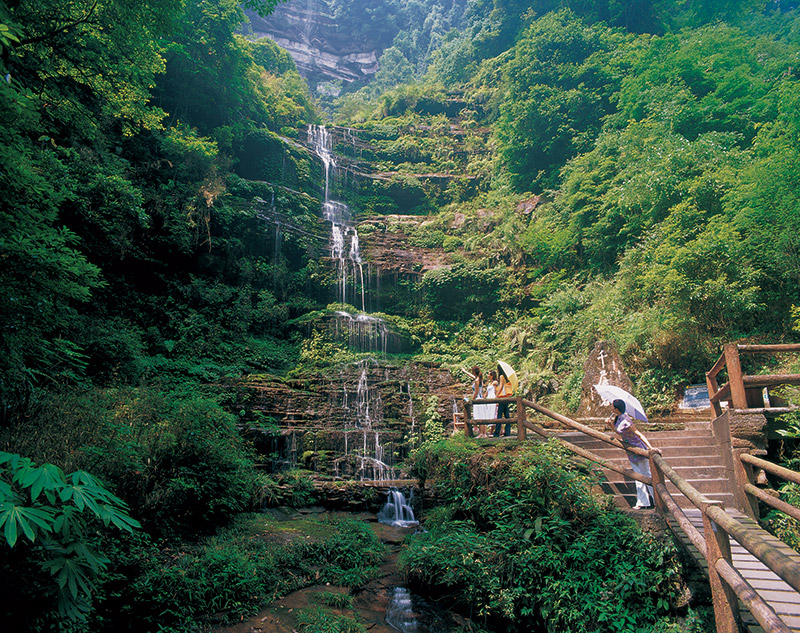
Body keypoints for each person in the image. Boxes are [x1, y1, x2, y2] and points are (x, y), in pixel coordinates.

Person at [606, 398, 661, 509]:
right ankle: (642, 502)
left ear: (616, 408)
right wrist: (611, 425)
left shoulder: (626, 420)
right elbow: (619, 432)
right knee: (637, 476)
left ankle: (657, 501)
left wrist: (650, 448)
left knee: (646, 474)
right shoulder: (617, 418)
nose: (611, 407)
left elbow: (638, 434)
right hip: (630, 451)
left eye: (612, 406)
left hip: (638, 449)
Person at [493, 366, 514, 437]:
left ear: (499, 370)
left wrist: (496, 396)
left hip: (502, 398)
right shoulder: (505, 377)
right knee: (507, 415)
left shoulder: (501, 376)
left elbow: (501, 387)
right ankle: (507, 432)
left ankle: (496, 433)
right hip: (506, 398)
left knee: (499, 415)